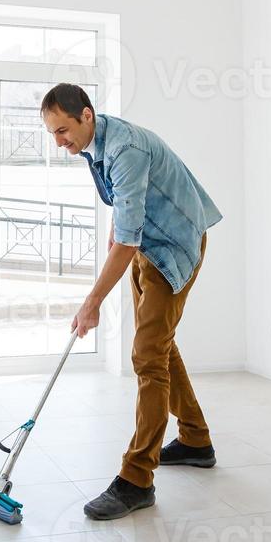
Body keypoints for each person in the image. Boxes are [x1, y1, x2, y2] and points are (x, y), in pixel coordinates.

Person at [40, 83, 223, 520]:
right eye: (52, 134)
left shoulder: (126, 149)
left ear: (87, 115)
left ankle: (137, 479)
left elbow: (127, 234)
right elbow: (124, 211)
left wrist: (92, 301)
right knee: (159, 347)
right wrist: (116, 248)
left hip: (174, 247)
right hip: (145, 246)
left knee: (147, 356)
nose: (59, 142)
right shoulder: (94, 145)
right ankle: (196, 440)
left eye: (62, 130)